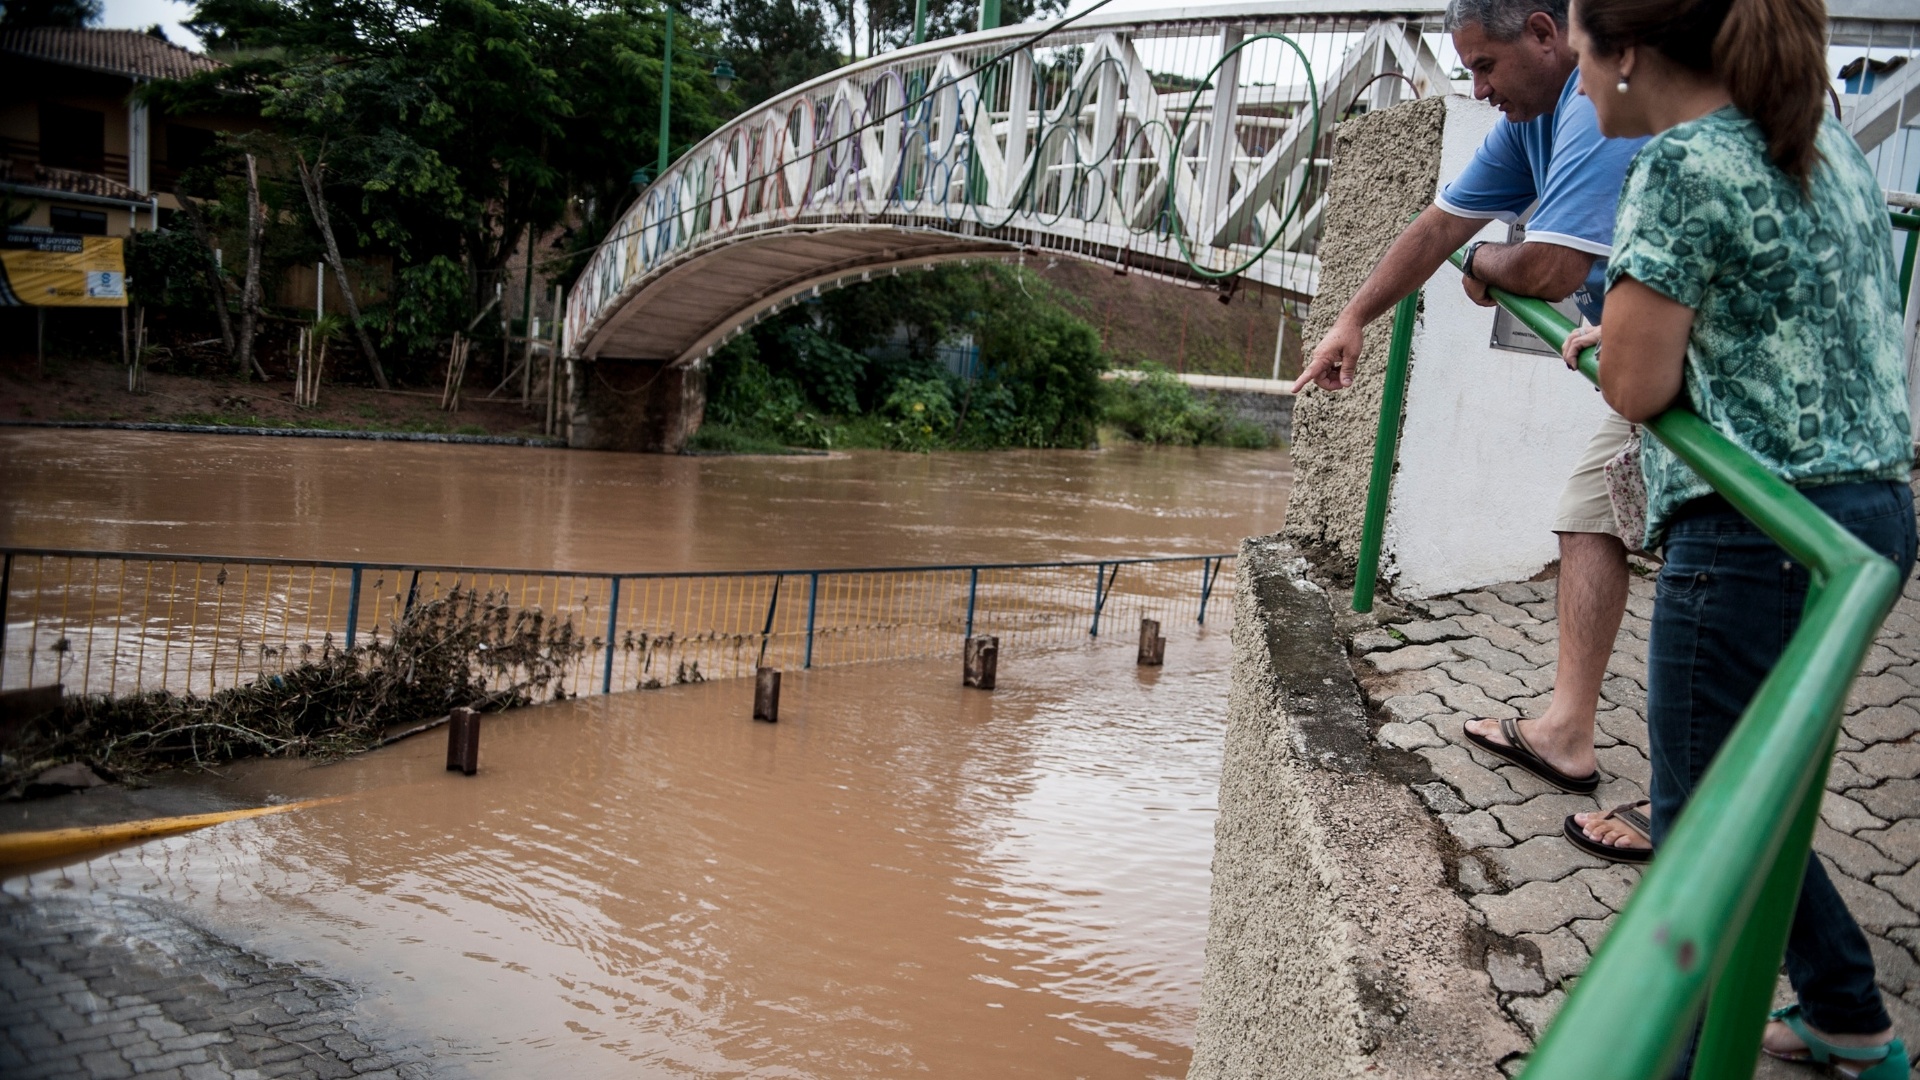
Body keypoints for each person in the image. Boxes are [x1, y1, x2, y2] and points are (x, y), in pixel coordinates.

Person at [1561, 0, 1914, 1070]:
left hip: (1755, 531)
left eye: (1581, 59)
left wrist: (1598, 348)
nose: (1578, 87)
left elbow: (1636, 381)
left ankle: (1671, 1053)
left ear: (1627, 57)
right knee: (1761, 791)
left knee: (1700, 827)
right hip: (1869, 521)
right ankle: (1849, 1013)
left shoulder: (1680, 165)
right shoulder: (1816, 139)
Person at [1292, 0, 1646, 798]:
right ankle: (1566, 733)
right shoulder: (1528, 121)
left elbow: (1551, 267)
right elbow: (1438, 226)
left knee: (1712, 574)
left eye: (1485, 65)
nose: (1478, 88)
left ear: (1545, 33)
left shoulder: (1591, 102)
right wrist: (1353, 318)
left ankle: (1706, 820)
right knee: (1588, 518)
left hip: (1705, 365)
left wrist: (1489, 262)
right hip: (1648, 350)